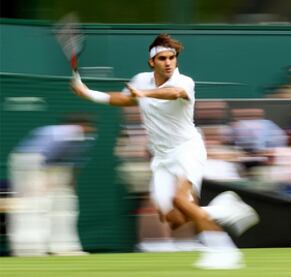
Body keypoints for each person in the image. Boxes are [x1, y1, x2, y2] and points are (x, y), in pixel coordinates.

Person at [71, 33, 259, 269]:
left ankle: (224, 251)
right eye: (162, 58)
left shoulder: (185, 82)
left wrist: (144, 95)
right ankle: (224, 209)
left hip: (187, 149)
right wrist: (88, 93)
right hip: (161, 157)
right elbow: (123, 99)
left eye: (172, 58)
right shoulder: (141, 80)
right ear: (152, 62)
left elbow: (173, 94)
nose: (168, 63)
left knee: (180, 199)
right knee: (174, 219)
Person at [7, 114, 95, 256]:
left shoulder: (81, 136)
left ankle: (64, 247)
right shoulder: (68, 133)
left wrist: (69, 184)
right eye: (88, 126)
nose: (90, 129)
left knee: (64, 207)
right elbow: (45, 156)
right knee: (34, 205)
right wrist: (40, 182)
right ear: (79, 125)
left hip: (52, 165)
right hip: (32, 161)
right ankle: (29, 249)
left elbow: (73, 163)